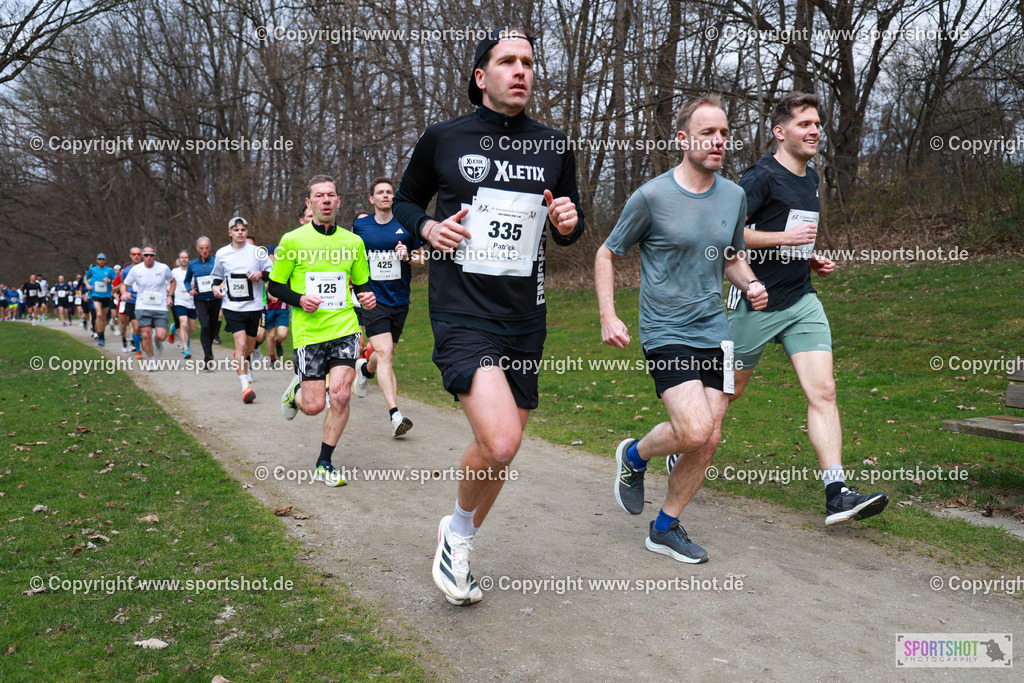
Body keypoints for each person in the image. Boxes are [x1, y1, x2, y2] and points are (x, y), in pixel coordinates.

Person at [393, 28, 584, 605]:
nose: (521, 71)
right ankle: (456, 530)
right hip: (461, 310)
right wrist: (428, 228)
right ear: (482, 77)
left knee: (506, 443)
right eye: (507, 62)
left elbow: (567, 226)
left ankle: (459, 537)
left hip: (526, 315)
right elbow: (406, 201)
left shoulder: (554, 145)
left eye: (528, 62)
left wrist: (568, 223)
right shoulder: (443, 138)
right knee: (500, 443)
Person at [597, 94, 767, 564]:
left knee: (709, 438)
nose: (718, 141)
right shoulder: (652, 196)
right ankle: (634, 455)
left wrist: (750, 284)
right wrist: (609, 316)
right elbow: (607, 253)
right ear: (683, 139)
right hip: (665, 328)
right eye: (708, 132)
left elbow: (731, 257)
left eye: (725, 134)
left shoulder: (734, 196)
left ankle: (665, 526)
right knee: (692, 431)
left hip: (715, 329)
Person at [725, 91, 888, 526]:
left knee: (825, 391)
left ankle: (837, 491)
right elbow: (727, 236)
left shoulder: (810, 178)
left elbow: (795, 233)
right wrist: (784, 243)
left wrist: (809, 258)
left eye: (817, 124)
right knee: (727, 394)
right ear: (780, 133)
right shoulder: (758, 178)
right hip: (753, 302)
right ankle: (680, 446)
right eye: (804, 124)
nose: (815, 130)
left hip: (801, 300)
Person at [272, 175, 376, 486]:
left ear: (339, 201)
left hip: (344, 328)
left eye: (331, 195)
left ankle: (324, 462)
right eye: (319, 196)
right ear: (310, 203)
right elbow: (275, 285)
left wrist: (367, 296)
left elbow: (361, 284)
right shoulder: (292, 241)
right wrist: (300, 299)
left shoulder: (353, 242)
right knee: (315, 406)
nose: (326, 200)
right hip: (309, 333)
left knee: (342, 395)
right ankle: (296, 393)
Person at [351, 176, 424, 437]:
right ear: (371, 199)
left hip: (399, 300)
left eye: (389, 192)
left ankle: (364, 370)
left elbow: (421, 259)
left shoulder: (405, 225)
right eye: (380, 192)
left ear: (393, 197)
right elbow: (351, 256)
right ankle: (395, 415)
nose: (385, 195)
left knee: (384, 354)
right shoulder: (360, 226)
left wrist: (408, 256)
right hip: (373, 299)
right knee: (386, 354)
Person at [211, 217, 272, 402]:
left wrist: (260, 274)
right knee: (242, 344)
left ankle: (241, 358)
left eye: (243, 229)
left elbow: (273, 273)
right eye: (236, 229)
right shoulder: (222, 253)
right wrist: (215, 288)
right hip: (232, 306)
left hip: (253, 306)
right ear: (229, 232)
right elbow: (216, 276)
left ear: (247, 232)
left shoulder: (258, 252)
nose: (240, 232)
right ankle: (246, 387)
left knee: (250, 347)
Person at [122, 246, 175, 371]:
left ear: (155, 256)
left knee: (161, 335)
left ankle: (157, 340)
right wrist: (124, 293)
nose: (149, 257)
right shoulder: (136, 270)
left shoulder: (163, 268)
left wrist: (170, 296)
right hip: (142, 306)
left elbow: (173, 281)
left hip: (160, 306)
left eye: (151, 255)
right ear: (142, 256)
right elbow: (125, 284)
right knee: (145, 334)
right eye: (146, 255)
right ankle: (152, 360)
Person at [185, 236, 221, 369]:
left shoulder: (216, 262)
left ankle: (209, 350)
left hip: (214, 298)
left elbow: (223, 276)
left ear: (210, 248)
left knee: (212, 327)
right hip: (200, 299)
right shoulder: (193, 264)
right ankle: (207, 357)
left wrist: (221, 286)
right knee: (204, 326)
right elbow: (186, 280)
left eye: (206, 248)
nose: (204, 250)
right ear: (197, 249)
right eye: (201, 248)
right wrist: (190, 290)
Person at [263, 241, 290, 367]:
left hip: (282, 306)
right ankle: (273, 359)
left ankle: (278, 343)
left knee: (282, 334)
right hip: (268, 307)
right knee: (271, 333)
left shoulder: (285, 267)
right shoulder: (263, 269)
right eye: (271, 256)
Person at [115, 248, 144, 356]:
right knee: (135, 326)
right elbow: (123, 285)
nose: (136, 256)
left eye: (138, 254)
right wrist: (124, 293)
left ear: (141, 255)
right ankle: (137, 350)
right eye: (134, 254)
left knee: (145, 327)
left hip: (146, 301)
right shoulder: (127, 270)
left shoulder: (147, 268)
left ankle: (143, 340)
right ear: (130, 255)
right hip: (132, 300)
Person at [83, 254, 116, 345]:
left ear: (105, 260)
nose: (101, 261)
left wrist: (109, 281)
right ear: (97, 260)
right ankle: (100, 336)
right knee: (99, 314)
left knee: (104, 317)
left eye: (103, 260)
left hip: (106, 296)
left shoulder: (110, 270)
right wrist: (87, 285)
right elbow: (85, 277)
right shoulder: (93, 270)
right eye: (99, 260)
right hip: (96, 295)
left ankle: (102, 333)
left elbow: (116, 281)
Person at [171, 250, 197, 360]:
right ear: (179, 259)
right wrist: (168, 288)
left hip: (192, 302)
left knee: (192, 328)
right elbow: (170, 283)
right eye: (182, 257)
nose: (184, 259)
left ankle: (182, 336)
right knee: (184, 323)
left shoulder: (193, 271)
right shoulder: (174, 271)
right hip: (179, 302)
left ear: (189, 259)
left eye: (186, 257)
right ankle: (185, 348)